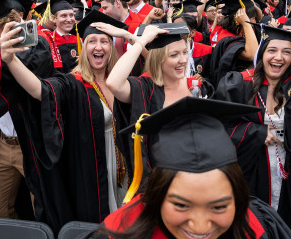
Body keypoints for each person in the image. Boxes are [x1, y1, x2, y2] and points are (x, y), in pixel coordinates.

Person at [0, 9, 140, 234]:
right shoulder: (72, 84)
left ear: (112, 48)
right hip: (93, 175)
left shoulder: (122, 83)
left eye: (104, 41)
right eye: (92, 41)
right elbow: (39, 90)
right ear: (83, 48)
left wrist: (132, 39)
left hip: (125, 173)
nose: (98, 47)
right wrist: (11, 60)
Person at [92, 98, 291, 239]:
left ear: (237, 196)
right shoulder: (120, 230)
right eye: (181, 205)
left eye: (219, 207)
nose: (200, 227)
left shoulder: (258, 226)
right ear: (157, 195)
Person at [0, 0, 54, 226]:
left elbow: (22, 77)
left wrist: (7, 57)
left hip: (33, 144)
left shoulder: (35, 48)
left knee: (43, 210)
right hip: (2, 145)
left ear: (8, 23)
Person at [102, 23, 213, 179]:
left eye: (184, 52)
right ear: (160, 59)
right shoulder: (147, 89)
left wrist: (131, 38)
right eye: (174, 55)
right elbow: (114, 83)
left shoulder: (197, 87)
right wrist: (142, 40)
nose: (183, 59)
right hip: (160, 179)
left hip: (199, 173)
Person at [215, 25, 291, 228]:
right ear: (262, 53)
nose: (279, 57)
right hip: (251, 172)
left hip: (286, 173)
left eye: (287, 52)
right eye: (272, 50)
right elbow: (217, 127)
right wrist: (256, 132)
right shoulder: (239, 84)